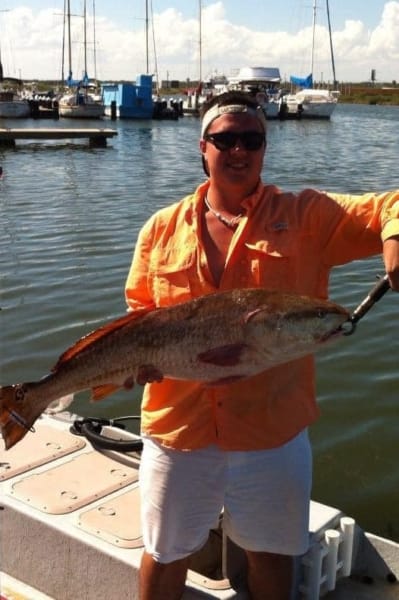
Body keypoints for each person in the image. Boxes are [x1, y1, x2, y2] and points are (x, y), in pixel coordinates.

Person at [125, 90, 399, 600]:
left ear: (265, 149)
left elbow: (391, 204)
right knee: (165, 553)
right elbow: (138, 318)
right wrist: (135, 364)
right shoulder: (159, 229)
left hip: (272, 433)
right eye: (225, 139)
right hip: (177, 428)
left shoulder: (307, 217)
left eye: (251, 140)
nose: (238, 150)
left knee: (272, 557)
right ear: (202, 148)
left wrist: (395, 239)